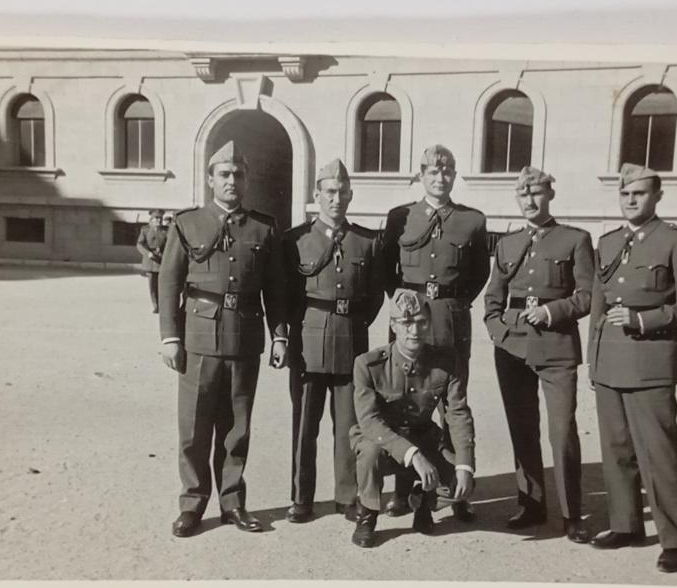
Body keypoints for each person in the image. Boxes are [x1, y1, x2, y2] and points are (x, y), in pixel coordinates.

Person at [158, 141, 288, 537]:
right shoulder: (188, 223)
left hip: (245, 338)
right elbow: (169, 281)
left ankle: (233, 502)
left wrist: (279, 335)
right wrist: (169, 337)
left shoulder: (263, 228)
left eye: (239, 174)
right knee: (194, 429)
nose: (232, 181)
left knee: (237, 429)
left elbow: (276, 288)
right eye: (225, 174)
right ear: (210, 179)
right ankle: (193, 504)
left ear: (246, 180)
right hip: (198, 337)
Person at [587, 163, 677, 573]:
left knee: (658, 455)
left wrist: (645, 320)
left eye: (639, 193)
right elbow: (599, 308)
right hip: (610, 364)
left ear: (657, 196)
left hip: (651, 363)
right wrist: (594, 362)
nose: (631, 200)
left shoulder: (676, 241)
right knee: (616, 450)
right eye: (625, 194)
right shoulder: (607, 243)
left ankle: (674, 539)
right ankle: (626, 525)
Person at [483, 167, 594, 541]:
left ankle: (571, 512)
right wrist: (499, 333)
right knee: (522, 429)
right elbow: (493, 298)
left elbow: (587, 296)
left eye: (537, 194)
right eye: (523, 196)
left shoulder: (575, 240)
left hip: (557, 345)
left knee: (562, 431)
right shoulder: (507, 244)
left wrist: (550, 312)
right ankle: (531, 503)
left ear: (550, 195)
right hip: (512, 348)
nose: (529, 202)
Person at [381, 144, 489, 521]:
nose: (440, 178)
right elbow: (386, 269)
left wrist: (452, 300)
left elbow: (478, 274)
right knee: (402, 399)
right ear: (421, 176)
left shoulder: (471, 221)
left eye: (447, 172)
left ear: (454, 176)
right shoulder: (401, 217)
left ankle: (454, 489)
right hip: (410, 317)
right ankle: (401, 489)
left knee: (450, 402)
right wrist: (403, 306)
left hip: (451, 318)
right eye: (432, 172)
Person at [283, 159, 384, 523]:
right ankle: (301, 498)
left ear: (351, 195)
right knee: (304, 426)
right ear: (316, 196)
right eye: (329, 192)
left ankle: (347, 496)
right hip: (308, 343)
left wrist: (351, 322)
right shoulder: (296, 240)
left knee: (349, 426)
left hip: (352, 339)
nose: (336, 199)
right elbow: (287, 296)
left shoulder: (367, 241)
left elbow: (373, 297)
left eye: (342, 192)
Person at [349, 289, 476, 548]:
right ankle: (368, 514)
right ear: (394, 325)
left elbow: (458, 414)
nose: (414, 331)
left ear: (429, 323)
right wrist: (414, 455)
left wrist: (465, 466)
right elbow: (370, 421)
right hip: (383, 440)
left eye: (421, 322)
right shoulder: (368, 365)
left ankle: (422, 501)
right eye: (406, 323)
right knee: (370, 451)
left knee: (460, 485)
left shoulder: (446, 362)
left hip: (423, 435)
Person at [136, 210, 168, 313]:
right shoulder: (145, 230)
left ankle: (162, 305)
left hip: (162, 261)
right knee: (152, 286)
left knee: (162, 284)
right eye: (156, 219)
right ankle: (156, 305)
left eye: (160, 219)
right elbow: (139, 244)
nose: (159, 221)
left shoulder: (166, 230)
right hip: (150, 261)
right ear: (151, 220)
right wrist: (147, 253)